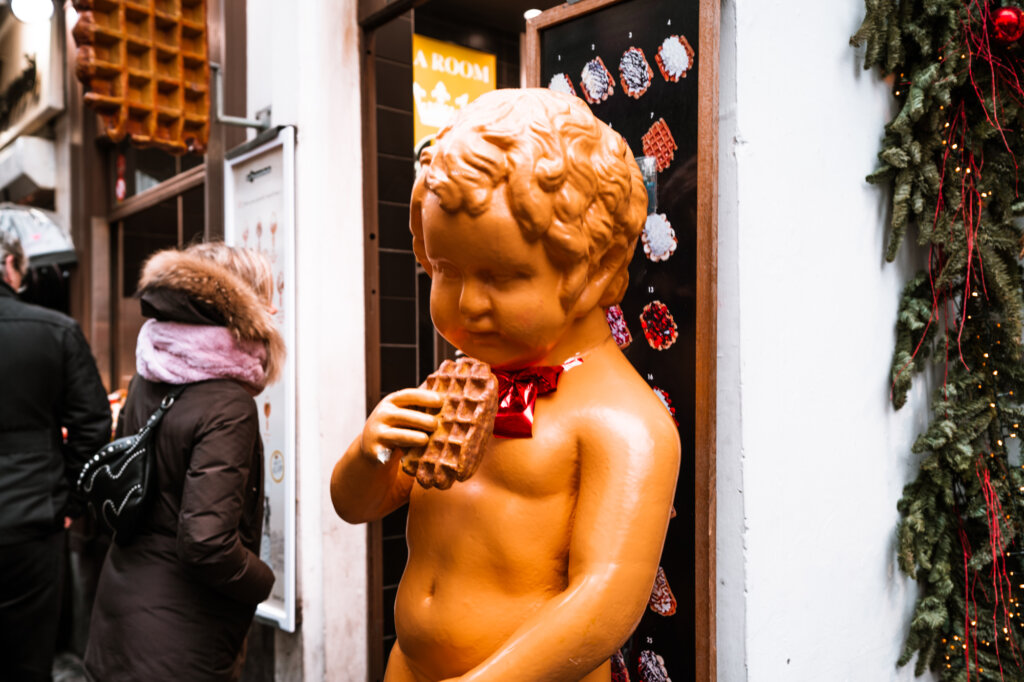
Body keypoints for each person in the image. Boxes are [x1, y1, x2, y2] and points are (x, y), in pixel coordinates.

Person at [331, 89, 681, 682]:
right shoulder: (460, 387)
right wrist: (371, 453)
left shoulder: (624, 423)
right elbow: (354, 505)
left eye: (501, 276)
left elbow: (604, 603)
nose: (467, 304)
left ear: (594, 271)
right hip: (408, 666)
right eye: (444, 270)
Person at [84, 242, 283, 681]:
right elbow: (206, 544)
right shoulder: (229, 403)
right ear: (240, 305)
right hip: (181, 639)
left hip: (121, 614)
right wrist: (263, 581)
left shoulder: (148, 377)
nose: (273, 310)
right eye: (266, 298)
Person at [0, 230, 111, 682]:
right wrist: (71, 502)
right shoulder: (55, 330)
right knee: (27, 658)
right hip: (33, 521)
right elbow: (92, 423)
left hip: (37, 512)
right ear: (9, 265)